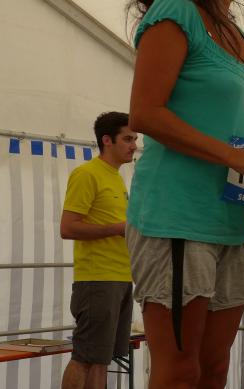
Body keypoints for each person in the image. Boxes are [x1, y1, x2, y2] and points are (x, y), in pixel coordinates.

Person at [126, 0, 244, 389]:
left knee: (214, 370)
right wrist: (235, 155)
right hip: (179, 216)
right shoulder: (176, 8)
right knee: (179, 371)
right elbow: (145, 112)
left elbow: (240, 129)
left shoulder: (234, 28)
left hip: (233, 221)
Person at [60, 111, 138, 389]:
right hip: (97, 279)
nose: (134, 145)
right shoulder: (86, 174)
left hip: (120, 277)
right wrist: (117, 228)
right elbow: (68, 228)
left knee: (101, 360)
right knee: (85, 357)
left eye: (135, 139)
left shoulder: (115, 177)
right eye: (128, 139)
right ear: (107, 140)